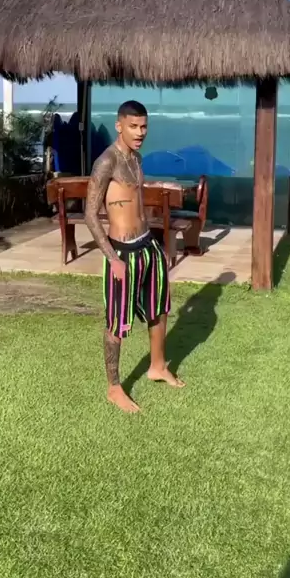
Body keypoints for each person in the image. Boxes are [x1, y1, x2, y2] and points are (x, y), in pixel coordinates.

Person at [85, 100, 185, 413]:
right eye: (133, 126)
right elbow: (90, 214)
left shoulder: (137, 158)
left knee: (159, 308)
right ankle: (114, 388)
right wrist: (112, 258)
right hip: (122, 252)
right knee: (117, 321)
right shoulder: (106, 162)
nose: (140, 132)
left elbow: (137, 203)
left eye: (144, 126)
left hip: (147, 245)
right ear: (119, 126)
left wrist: (159, 242)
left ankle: (157, 366)